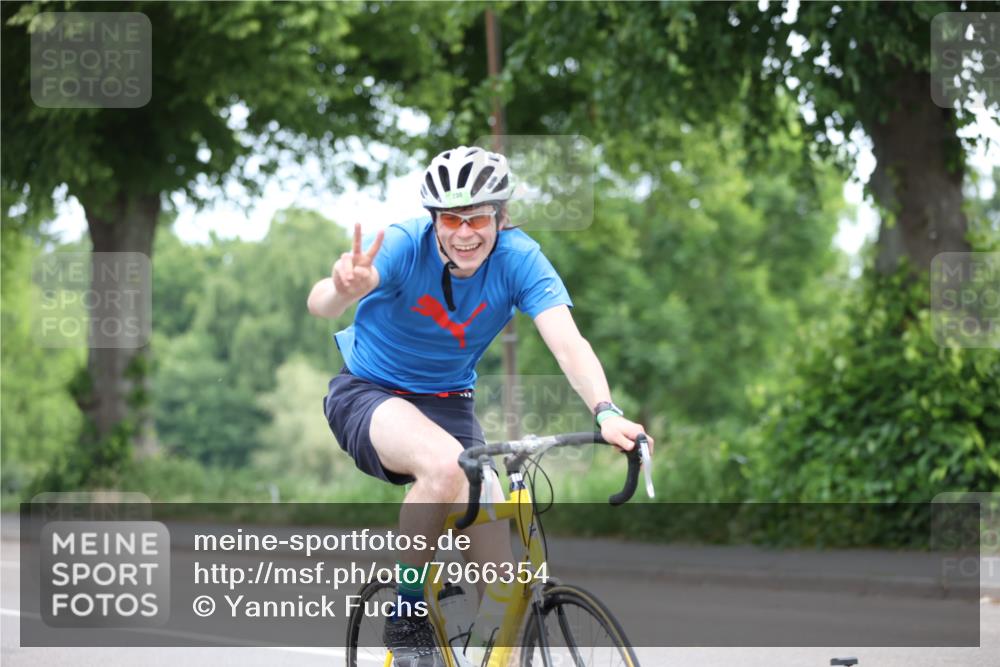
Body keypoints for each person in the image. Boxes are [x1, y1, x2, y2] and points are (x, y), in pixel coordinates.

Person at [308, 146, 653, 666]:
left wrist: (605, 412)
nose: (464, 233)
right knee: (444, 466)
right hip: (370, 393)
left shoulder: (520, 259)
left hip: (450, 405)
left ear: (500, 216)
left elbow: (567, 342)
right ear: (434, 220)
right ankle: (405, 616)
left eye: (478, 219)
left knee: (502, 592)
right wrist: (341, 289)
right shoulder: (405, 243)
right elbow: (320, 303)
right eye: (451, 219)